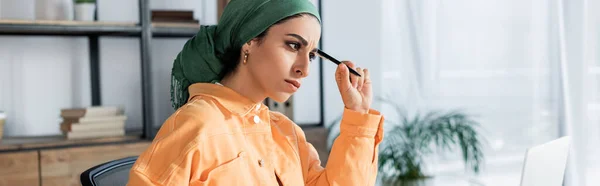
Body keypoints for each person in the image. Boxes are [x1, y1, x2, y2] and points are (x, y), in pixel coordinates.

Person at [127, 0, 384, 185]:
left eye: (312, 56)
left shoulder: (286, 132)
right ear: (249, 41)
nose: (304, 69)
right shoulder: (197, 125)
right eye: (293, 45)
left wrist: (358, 114)